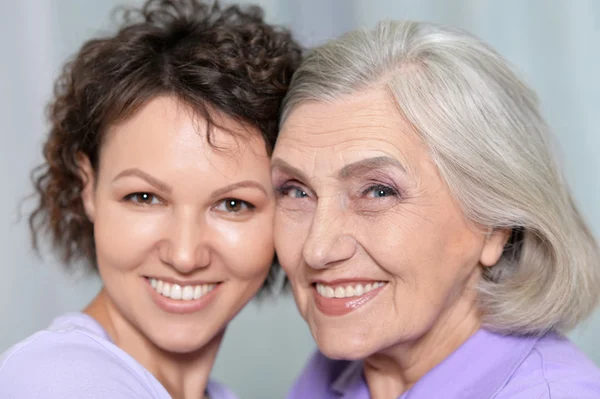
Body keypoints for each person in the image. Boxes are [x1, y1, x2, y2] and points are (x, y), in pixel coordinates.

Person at [272, 20, 600, 399]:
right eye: (296, 191)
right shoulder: (335, 372)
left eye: (378, 191)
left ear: (495, 225)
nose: (317, 249)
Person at [0, 0, 300, 398]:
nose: (185, 256)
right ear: (87, 186)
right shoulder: (58, 380)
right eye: (144, 197)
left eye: (233, 205)